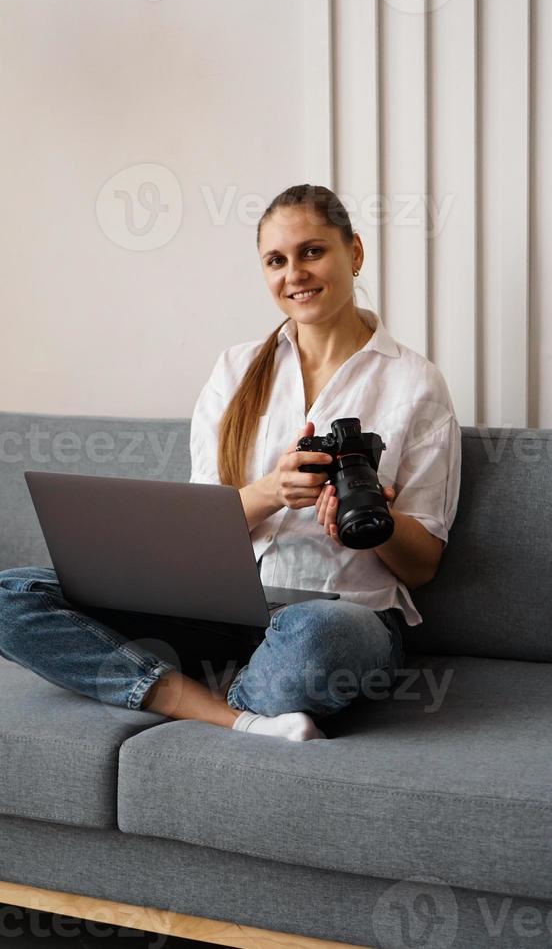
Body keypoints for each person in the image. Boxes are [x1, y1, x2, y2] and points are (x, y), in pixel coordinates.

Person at [0, 184, 461, 743]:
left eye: (312, 251)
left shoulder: (415, 383)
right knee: (13, 593)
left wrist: (371, 527)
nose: (295, 274)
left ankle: (194, 689)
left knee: (319, 638)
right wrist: (271, 491)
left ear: (355, 253)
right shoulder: (236, 368)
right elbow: (195, 534)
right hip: (220, 612)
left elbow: (423, 566)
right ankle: (225, 713)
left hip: (340, 614)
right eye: (276, 260)